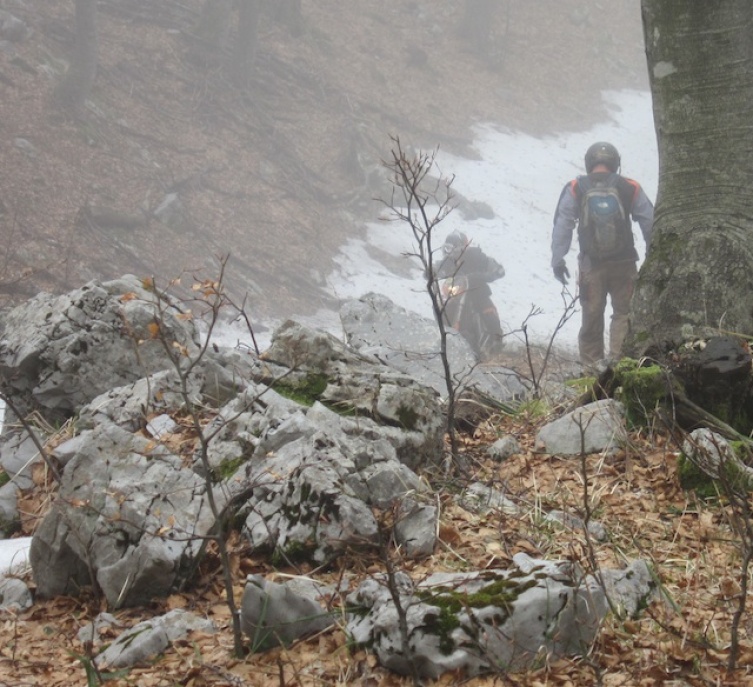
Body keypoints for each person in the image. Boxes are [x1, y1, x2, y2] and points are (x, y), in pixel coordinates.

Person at [551, 142, 654, 364]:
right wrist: (653, 255)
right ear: (615, 163)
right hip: (625, 264)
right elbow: (649, 221)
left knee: (591, 317)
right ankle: (619, 365)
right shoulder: (630, 186)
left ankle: (590, 370)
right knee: (624, 315)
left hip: (591, 266)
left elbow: (563, 224)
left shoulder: (575, 187)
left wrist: (558, 260)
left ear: (589, 162)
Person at [434, 230, 506, 361]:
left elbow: (496, 268)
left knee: (488, 313)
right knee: (442, 309)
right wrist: (430, 271)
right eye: (447, 248)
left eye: (452, 247)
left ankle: (496, 344)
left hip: (477, 293)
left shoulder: (477, 257)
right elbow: (436, 268)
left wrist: (490, 274)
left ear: (462, 246)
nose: (449, 251)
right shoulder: (447, 262)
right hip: (455, 295)